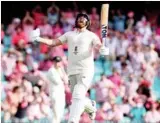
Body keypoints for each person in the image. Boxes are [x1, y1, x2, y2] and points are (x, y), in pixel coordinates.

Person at [30, 13, 109, 123]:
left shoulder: (91, 35)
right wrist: (38, 39)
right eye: (79, 19)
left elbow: (98, 45)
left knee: (77, 96)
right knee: (78, 98)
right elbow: (53, 42)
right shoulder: (69, 34)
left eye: (84, 19)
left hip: (85, 70)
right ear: (76, 21)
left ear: (88, 23)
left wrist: (102, 48)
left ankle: (72, 120)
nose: (81, 20)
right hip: (72, 71)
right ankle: (90, 106)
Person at [47, 56, 67, 123]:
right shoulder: (51, 70)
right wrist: (62, 77)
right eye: (56, 61)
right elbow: (57, 82)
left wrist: (63, 71)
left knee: (60, 113)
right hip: (54, 94)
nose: (57, 63)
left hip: (61, 93)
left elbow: (66, 81)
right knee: (56, 114)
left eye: (59, 62)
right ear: (53, 62)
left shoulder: (60, 70)